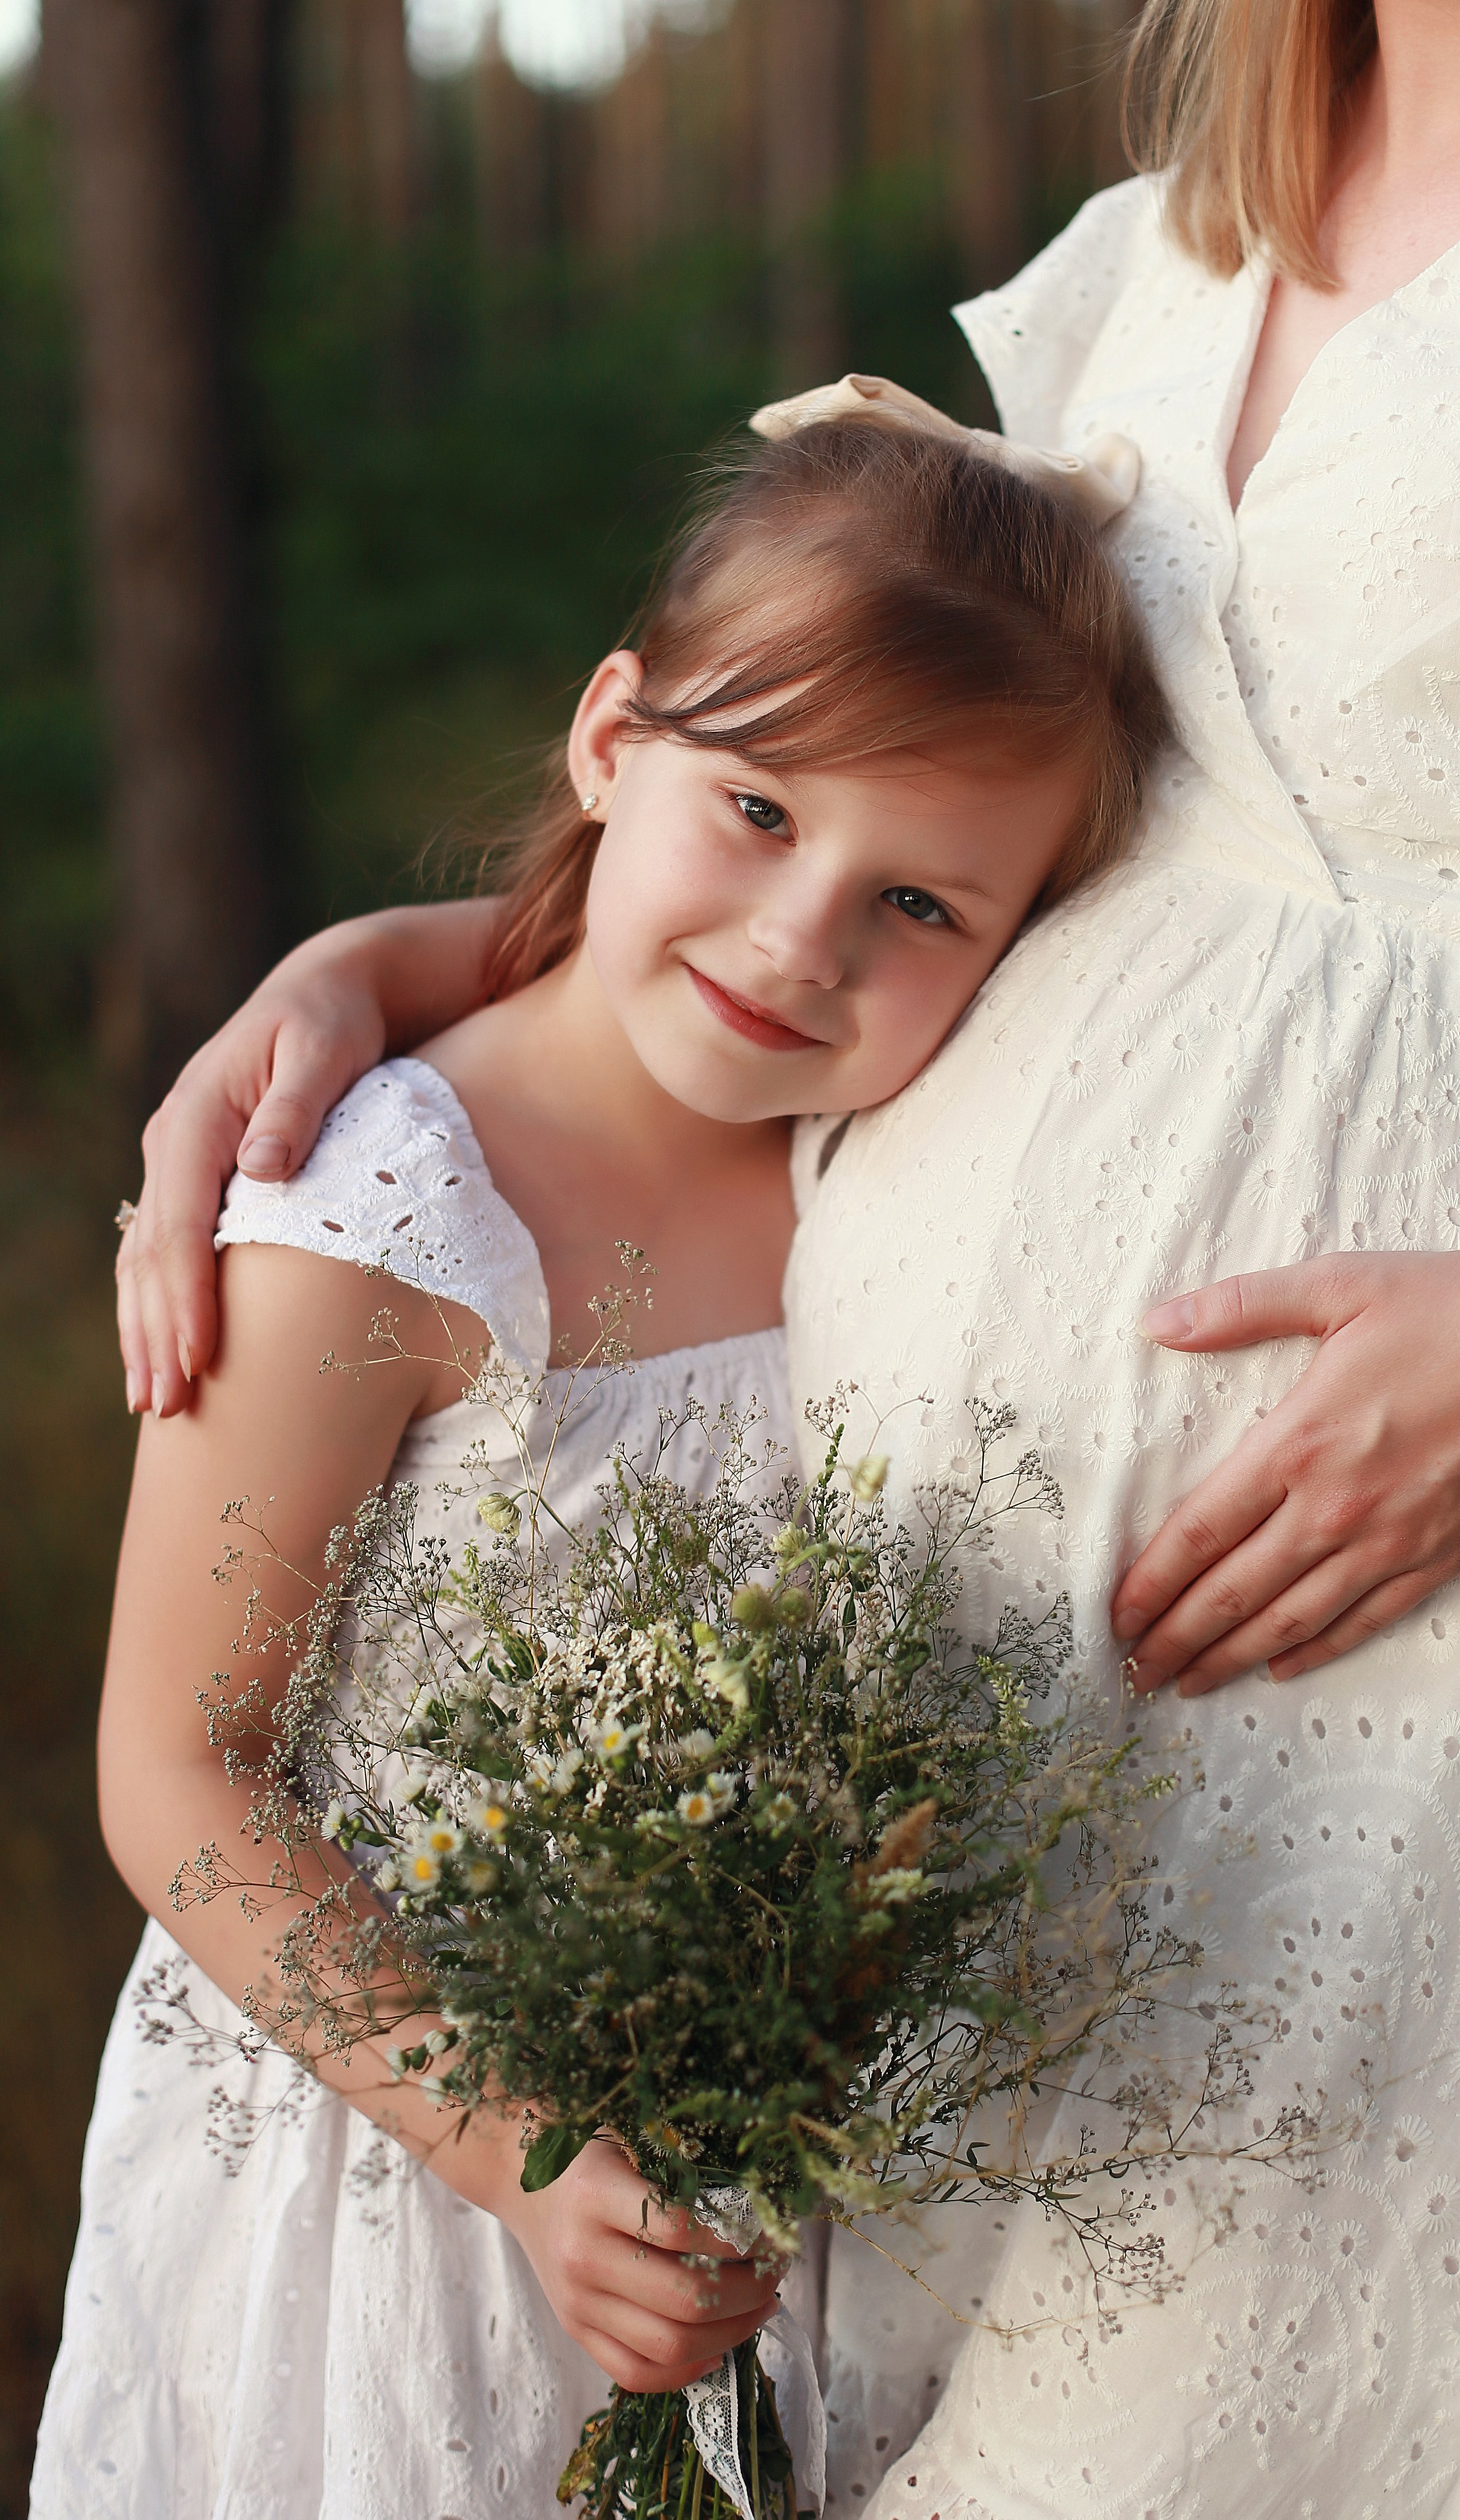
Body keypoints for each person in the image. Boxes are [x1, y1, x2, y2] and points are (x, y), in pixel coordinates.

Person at [101, 1, 1460, 2511]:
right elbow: (840, 759)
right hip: (949, 1768)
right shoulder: (1187, 240)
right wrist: (393, 972)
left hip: (1458, 1633)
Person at [31, 403, 1164, 2518]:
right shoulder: (380, 1211)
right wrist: (525, 2161)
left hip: (732, 2191)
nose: (802, 941)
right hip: (404, 2169)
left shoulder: (874, 1167)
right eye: (754, 808)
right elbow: (175, 1775)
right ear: (606, 739)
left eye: (918, 899)